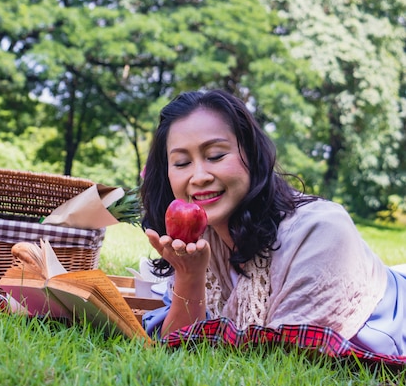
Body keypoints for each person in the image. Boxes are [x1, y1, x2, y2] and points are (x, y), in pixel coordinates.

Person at [139, 89, 406, 356]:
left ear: (252, 155)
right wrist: (189, 275)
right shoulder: (201, 237)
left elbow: (286, 358)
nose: (198, 176)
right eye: (182, 162)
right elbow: (178, 350)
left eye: (216, 156)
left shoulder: (321, 231)